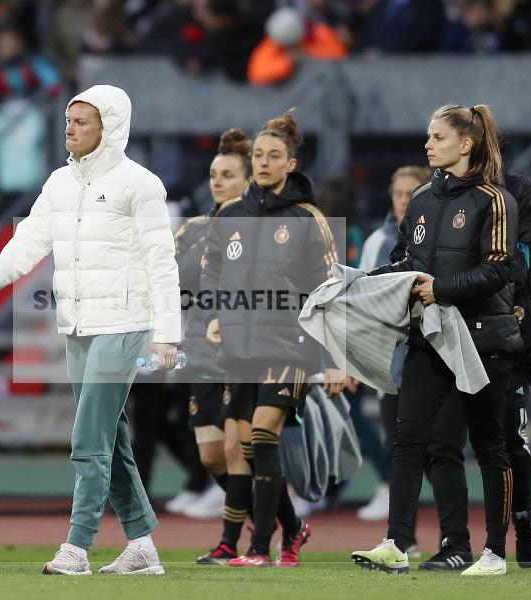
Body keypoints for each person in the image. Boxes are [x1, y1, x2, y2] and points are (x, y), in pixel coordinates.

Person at [0, 84, 180, 576]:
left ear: (111, 128)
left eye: (81, 122)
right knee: (111, 438)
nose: (69, 129)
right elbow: (25, 245)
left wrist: (167, 333)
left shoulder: (140, 184)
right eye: (68, 120)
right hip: (78, 324)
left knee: (88, 438)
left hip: (126, 324)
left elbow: (162, 264)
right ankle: (142, 545)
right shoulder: (59, 183)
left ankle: (77, 547)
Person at [352, 103, 520, 576]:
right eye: (428, 137)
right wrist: (361, 284)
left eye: (438, 138)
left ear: (465, 144)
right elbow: (406, 260)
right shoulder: (423, 198)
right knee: (408, 440)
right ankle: (395, 543)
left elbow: (502, 268)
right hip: (432, 335)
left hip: (484, 339)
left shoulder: (495, 199)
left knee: (490, 446)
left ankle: (494, 554)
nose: (427, 145)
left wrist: (442, 289)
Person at [201, 111, 341, 567]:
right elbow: (213, 273)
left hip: (290, 343)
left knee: (263, 433)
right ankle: (294, 529)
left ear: (291, 164)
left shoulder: (307, 218)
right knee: (240, 446)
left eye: (273, 156)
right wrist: (216, 316)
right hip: (240, 344)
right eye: (259, 154)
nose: (263, 162)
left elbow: (331, 289)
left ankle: (260, 548)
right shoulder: (232, 215)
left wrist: (336, 358)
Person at [418, 170, 531, 571]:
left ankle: (522, 513)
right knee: (441, 441)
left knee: (507, 441)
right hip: (450, 330)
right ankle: (455, 543)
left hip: (505, 332)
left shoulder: (515, 189)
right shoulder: (436, 194)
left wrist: (498, 256)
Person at [175, 128, 253, 532]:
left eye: (228, 175)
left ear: (248, 181)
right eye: (213, 174)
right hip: (202, 354)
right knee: (211, 457)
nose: (217, 182)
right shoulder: (194, 230)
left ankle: (236, 539)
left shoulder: (260, 227)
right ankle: (277, 520)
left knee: (236, 448)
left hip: (243, 355)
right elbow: (173, 283)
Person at [353, 165, 431, 525]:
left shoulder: (441, 237)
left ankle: (455, 536)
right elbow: (364, 302)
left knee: (437, 449)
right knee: (399, 445)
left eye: (410, 194)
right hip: (394, 364)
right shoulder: (377, 243)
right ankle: (405, 532)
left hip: (433, 357)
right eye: (398, 194)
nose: (403, 202)